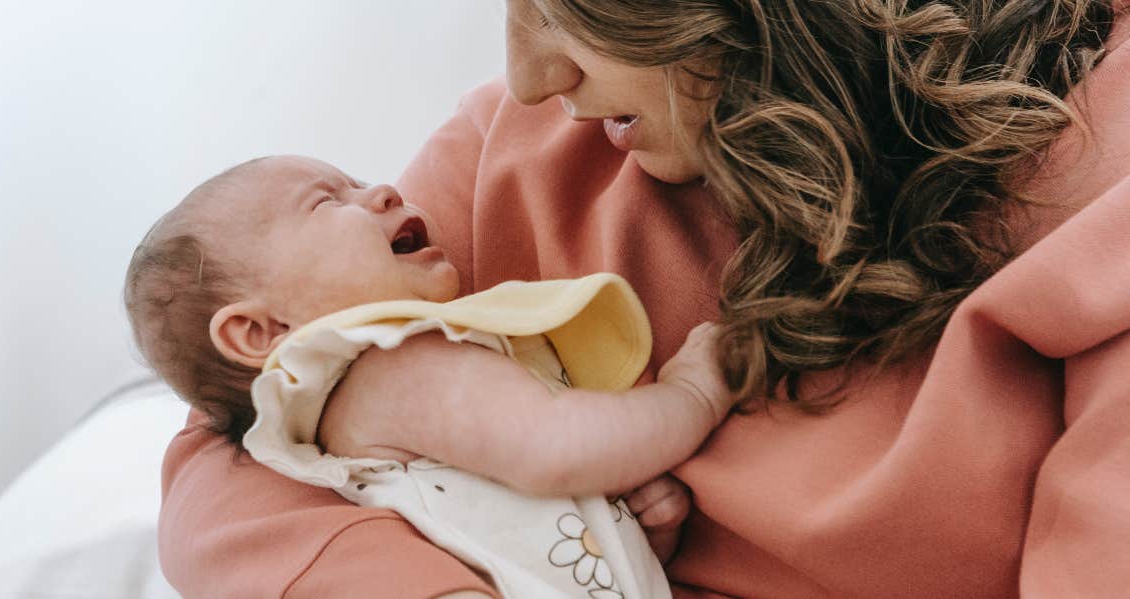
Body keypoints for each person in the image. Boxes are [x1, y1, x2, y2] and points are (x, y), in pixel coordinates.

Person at [156, 0, 1130, 597]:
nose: (530, 76)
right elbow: (236, 433)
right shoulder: (528, 145)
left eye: (567, 4)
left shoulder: (1099, 164)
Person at [125, 154, 733, 598]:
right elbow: (560, 448)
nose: (385, 190)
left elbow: (513, 543)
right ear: (261, 333)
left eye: (359, 180)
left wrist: (630, 536)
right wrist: (694, 394)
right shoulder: (392, 364)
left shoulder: (366, 404)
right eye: (327, 202)